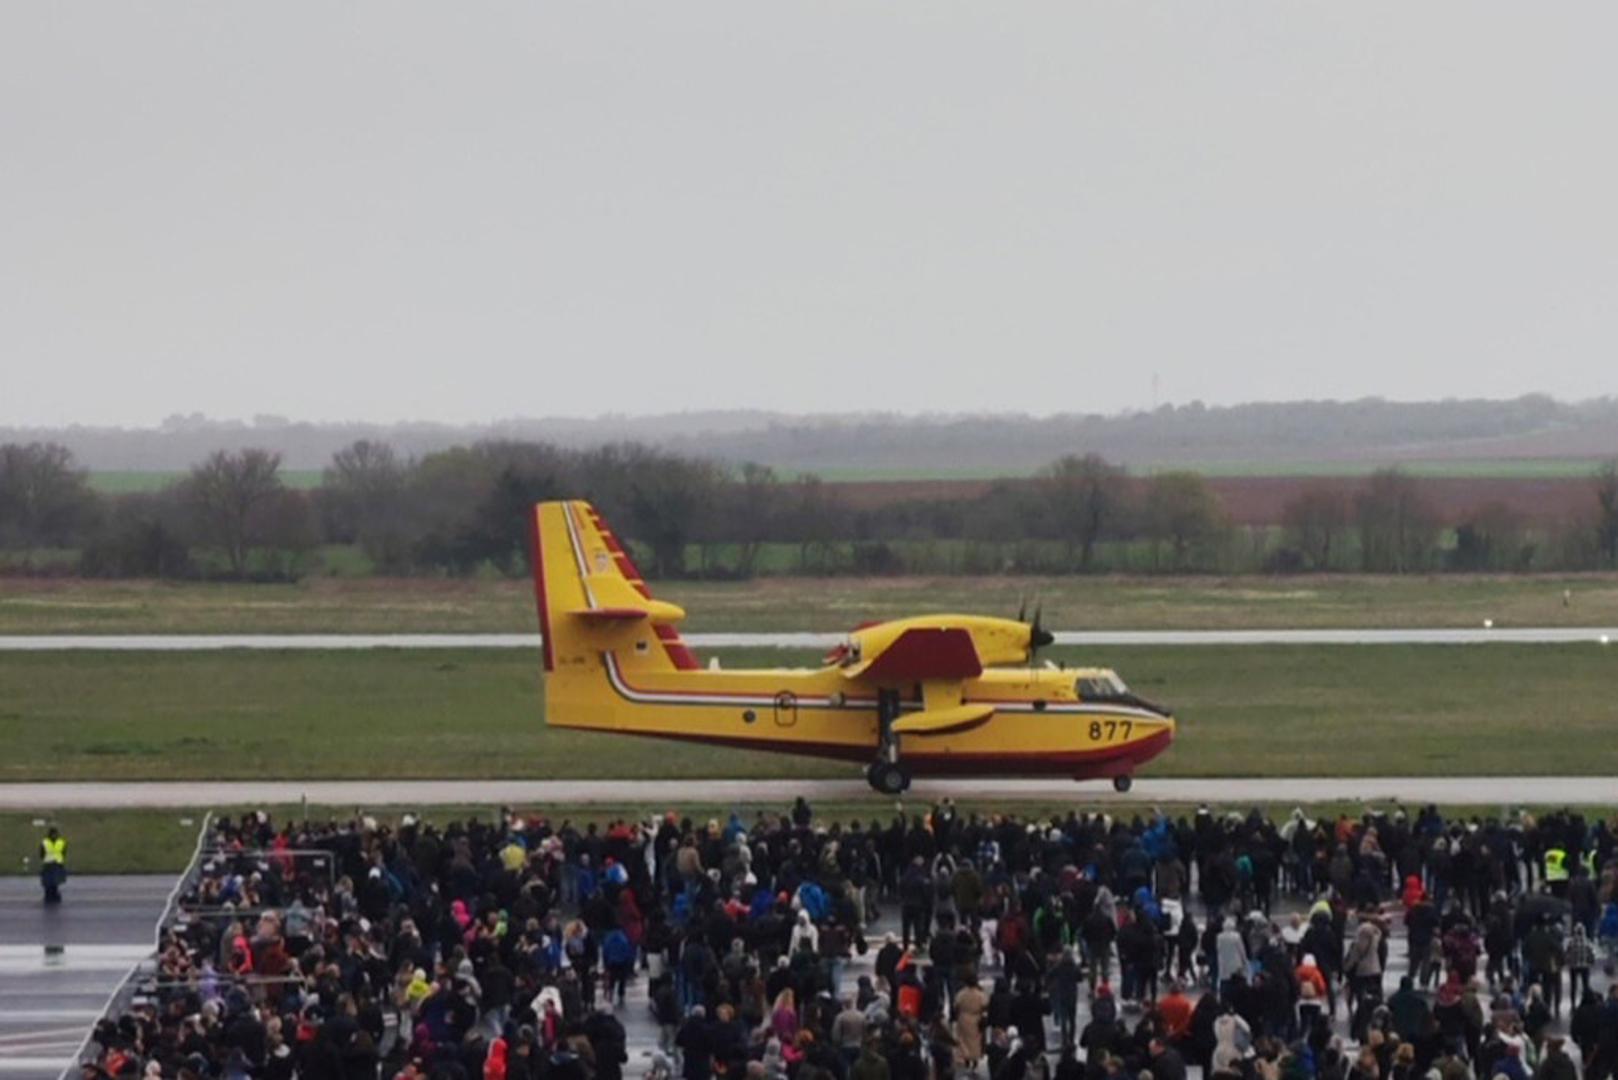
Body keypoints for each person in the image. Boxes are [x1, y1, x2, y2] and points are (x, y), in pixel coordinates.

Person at [39, 825, 67, 904]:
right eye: (53, 834)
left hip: (56, 863)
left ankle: (53, 895)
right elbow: (42, 853)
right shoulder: (45, 842)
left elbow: (64, 852)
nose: (54, 836)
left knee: (54, 882)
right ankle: (49, 895)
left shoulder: (61, 842)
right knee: (48, 882)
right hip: (49, 864)